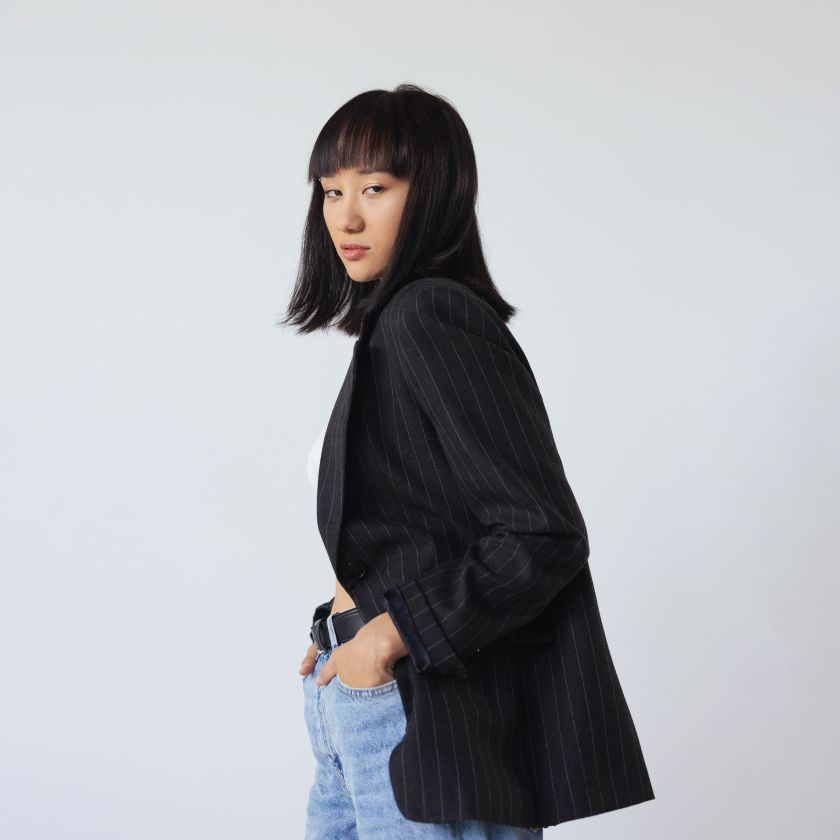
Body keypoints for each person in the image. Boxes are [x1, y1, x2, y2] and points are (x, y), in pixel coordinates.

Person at [280, 83, 655, 839]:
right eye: (330, 190)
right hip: (355, 700)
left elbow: (542, 534)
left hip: (421, 717)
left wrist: (386, 638)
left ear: (434, 193)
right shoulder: (393, 326)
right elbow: (421, 525)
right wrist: (345, 632)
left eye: (374, 188)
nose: (345, 218)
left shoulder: (429, 315)